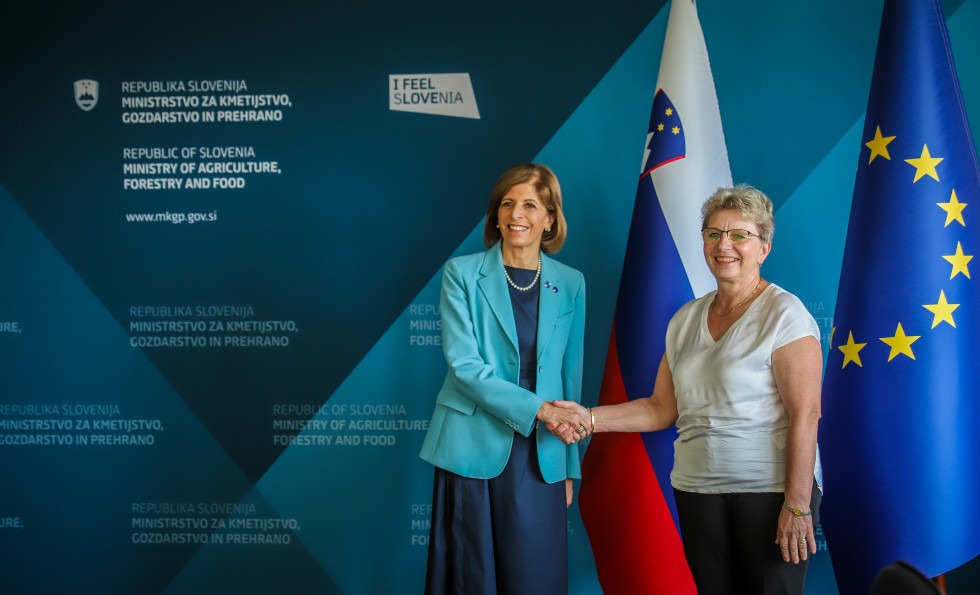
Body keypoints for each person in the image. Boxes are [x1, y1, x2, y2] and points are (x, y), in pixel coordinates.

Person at [552, 184, 822, 594]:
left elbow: (806, 414)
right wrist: (587, 418)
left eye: (739, 235)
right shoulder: (685, 319)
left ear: (763, 247)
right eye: (713, 233)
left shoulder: (785, 314)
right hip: (697, 492)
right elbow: (662, 408)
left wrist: (797, 505)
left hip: (769, 494)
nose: (723, 244)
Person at [419, 163, 587, 594]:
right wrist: (542, 410)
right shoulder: (461, 274)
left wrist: (570, 465)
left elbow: (571, 378)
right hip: (471, 446)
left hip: (543, 452)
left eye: (531, 204)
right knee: (473, 579)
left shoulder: (571, 283)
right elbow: (466, 367)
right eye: (508, 203)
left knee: (538, 578)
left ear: (550, 218)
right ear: (495, 216)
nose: (517, 213)